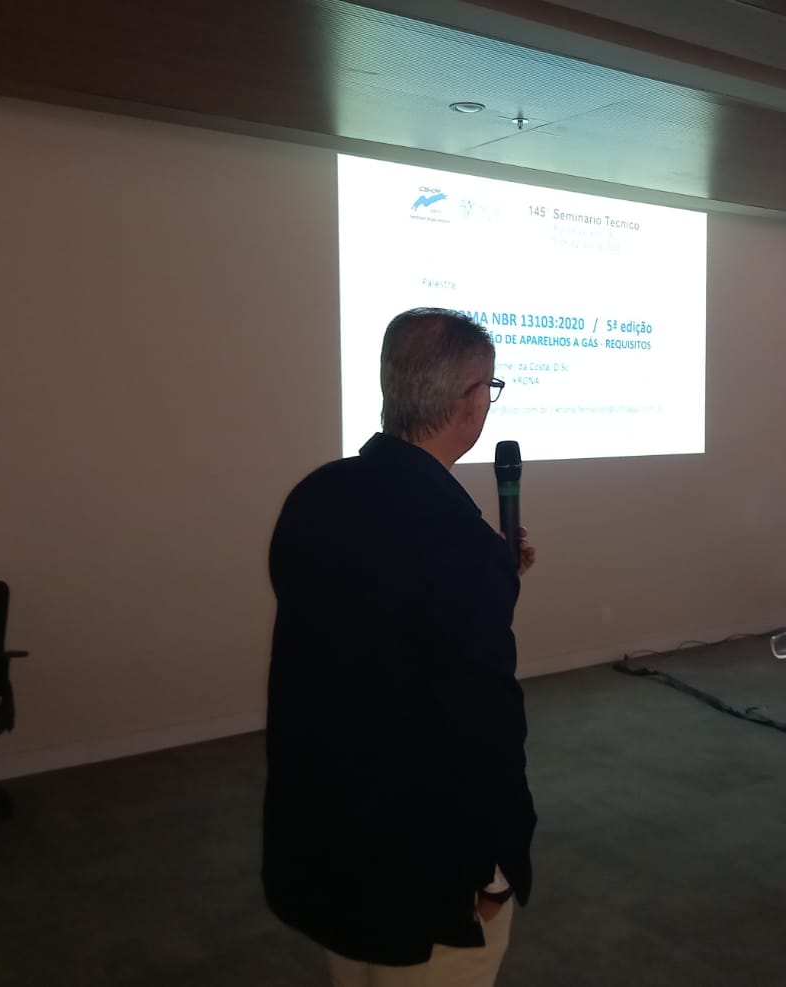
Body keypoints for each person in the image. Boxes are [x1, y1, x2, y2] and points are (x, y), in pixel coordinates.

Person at [263, 307, 537, 986]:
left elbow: (367, 631)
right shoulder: (458, 541)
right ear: (468, 400)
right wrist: (495, 872)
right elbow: (484, 728)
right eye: (490, 388)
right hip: (423, 873)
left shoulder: (314, 497)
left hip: (329, 844)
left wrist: (494, 574)